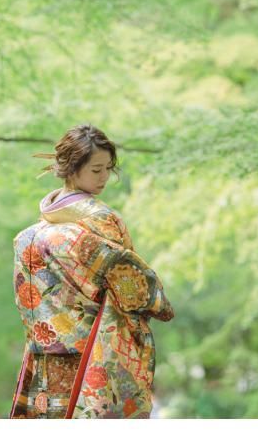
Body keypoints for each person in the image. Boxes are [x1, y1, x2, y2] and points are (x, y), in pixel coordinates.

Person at [9, 124, 175, 419]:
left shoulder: (31, 235)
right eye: (96, 170)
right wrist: (154, 302)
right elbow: (127, 277)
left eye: (108, 169)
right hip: (92, 352)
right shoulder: (101, 219)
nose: (105, 178)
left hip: (46, 350)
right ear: (72, 169)